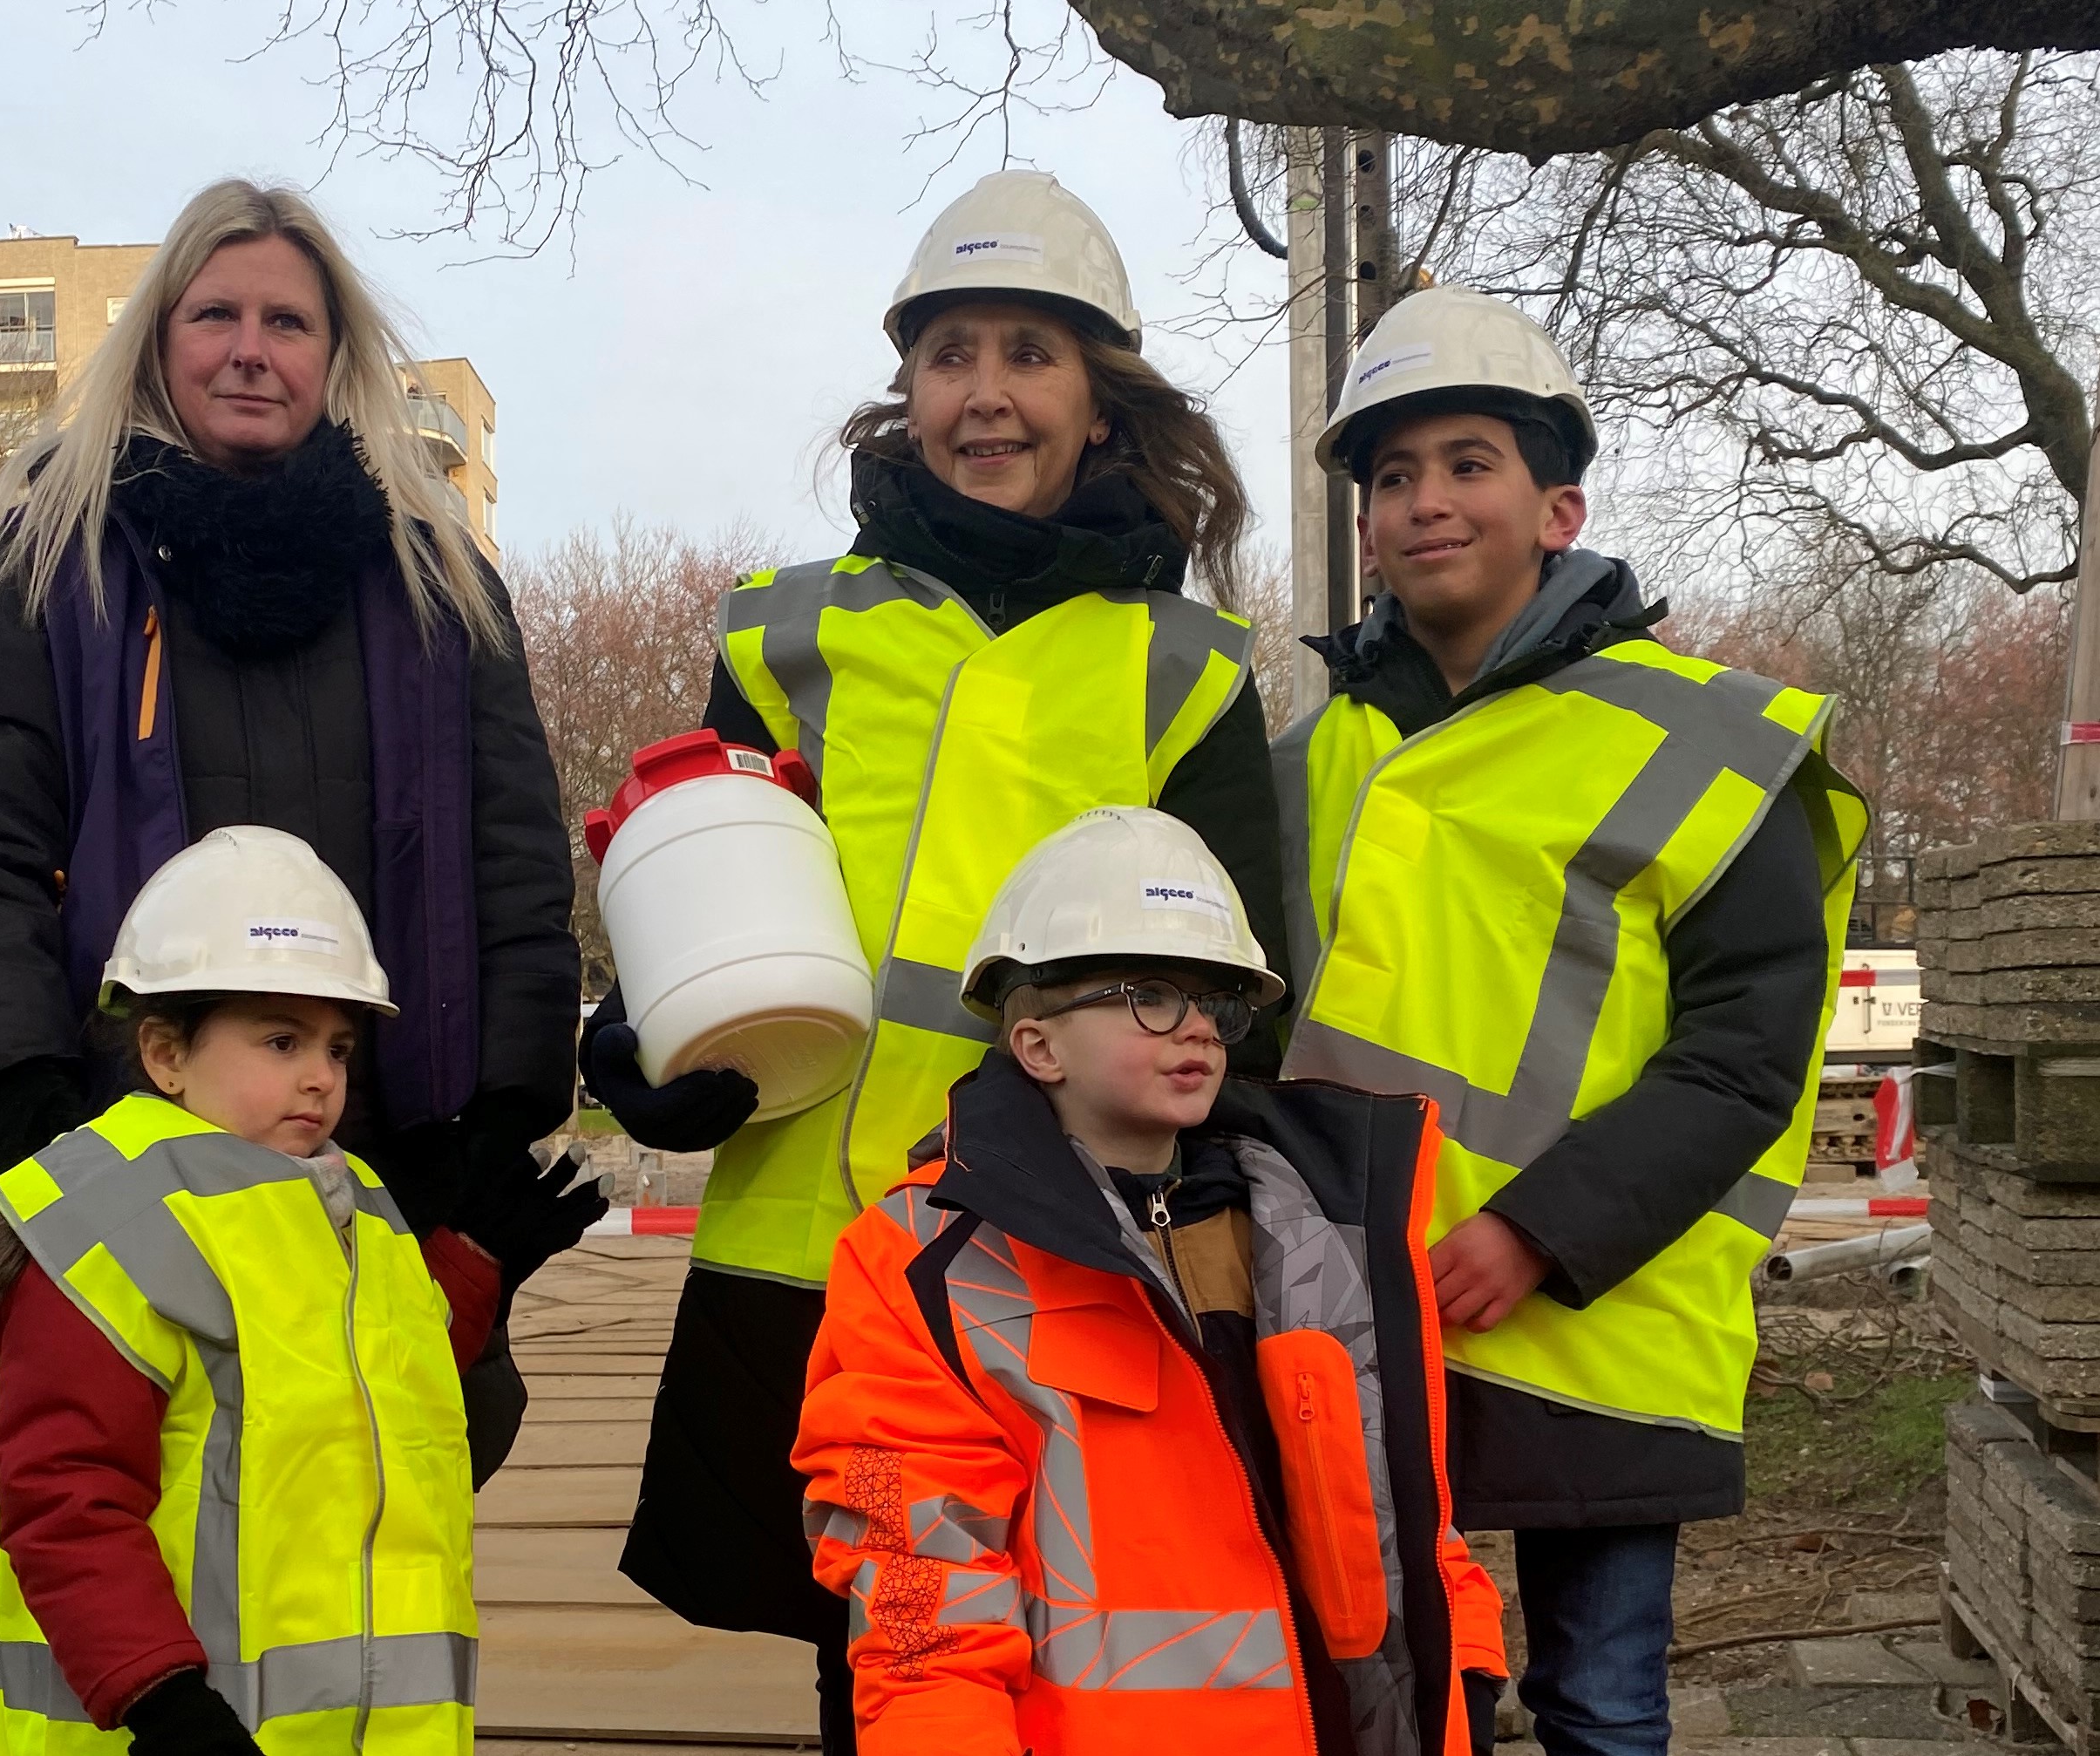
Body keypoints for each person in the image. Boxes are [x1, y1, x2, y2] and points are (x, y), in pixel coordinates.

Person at [588, 170, 1289, 1750]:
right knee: (888, 1657)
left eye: (1029, 355)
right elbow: (700, 919)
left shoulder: (1186, 668)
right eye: (952, 352)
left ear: (1097, 400)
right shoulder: (788, 635)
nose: (988, 394)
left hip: (1075, 1265)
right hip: (816, 1248)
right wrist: (649, 1050)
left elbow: (1249, 986)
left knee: (1091, 1655)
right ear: (904, 391)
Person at [0, 179, 581, 1482]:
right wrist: (34, 1106)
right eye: (214, 313)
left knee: (383, 1484)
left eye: (289, 320)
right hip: (107, 1133)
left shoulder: (442, 583)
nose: (250, 348)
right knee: (104, 1488)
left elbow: (514, 865)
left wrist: (497, 1113)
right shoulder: (47, 563)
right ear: (159, 339)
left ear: (336, 358)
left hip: (382, 1148)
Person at [1274, 286, 1868, 1756]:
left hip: (1596, 1315)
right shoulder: (1298, 763)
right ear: (1363, 527)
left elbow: (1742, 1057)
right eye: (1391, 477)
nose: (1424, 502)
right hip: (1355, 1323)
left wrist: (1539, 1228)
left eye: (1466, 462)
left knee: (1599, 1705)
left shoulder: (1706, 739)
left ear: (1558, 505)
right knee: (1399, 1700)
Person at [793, 808, 1506, 1756]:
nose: (1201, 1029)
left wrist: (1466, 1673)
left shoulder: (1318, 1224)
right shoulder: (919, 1260)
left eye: (1217, 1001)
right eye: (1151, 994)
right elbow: (912, 1567)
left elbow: (1405, 1496)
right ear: (1037, 1044)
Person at [0, 826, 601, 1756]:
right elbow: (66, 1496)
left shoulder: (347, 1197)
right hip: (166, 1727)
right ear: (165, 1053)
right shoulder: (107, 1225)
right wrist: (160, 1696)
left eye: (338, 1045)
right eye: (281, 1039)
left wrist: (481, 1262)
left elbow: (378, 1384)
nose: (321, 1076)